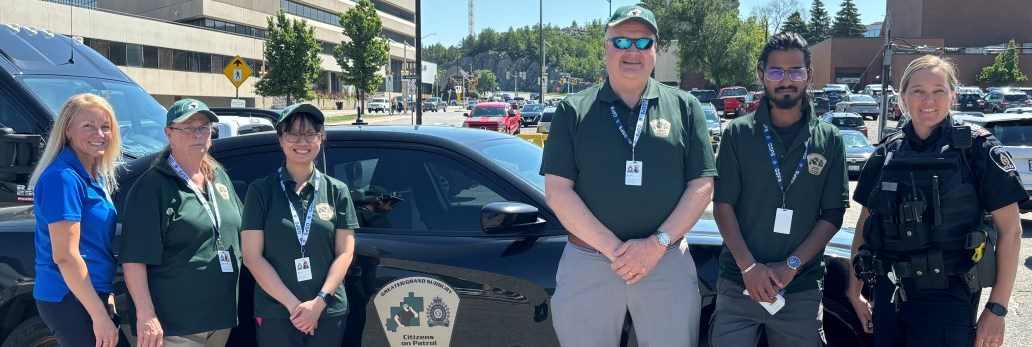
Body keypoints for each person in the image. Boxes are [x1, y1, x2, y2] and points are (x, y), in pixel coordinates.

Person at [540, 5, 716, 346]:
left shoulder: (685, 107)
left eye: (642, 42)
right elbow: (558, 192)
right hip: (589, 261)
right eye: (620, 41)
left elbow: (702, 185)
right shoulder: (572, 110)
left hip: (665, 262)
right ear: (605, 47)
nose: (631, 51)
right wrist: (616, 250)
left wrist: (655, 245)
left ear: (656, 49)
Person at [848, 55, 1025, 347]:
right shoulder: (886, 153)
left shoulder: (977, 150)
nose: (928, 99)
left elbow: (1012, 231)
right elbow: (865, 226)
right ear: (903, 97)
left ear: (952, 95)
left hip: (949, 301)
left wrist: (997, 308)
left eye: (938, 90)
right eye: (917, 90)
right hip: (889, 295)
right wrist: (854, 290)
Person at [709, 32, 849, 347]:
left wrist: (790, 267)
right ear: (762, 75)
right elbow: (723, 205)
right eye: (776, 72)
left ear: (809, 76)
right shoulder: (738, 134)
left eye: (795, 71)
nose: (786, 80)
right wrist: (749, 267)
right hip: (738, 284)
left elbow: (833, 214)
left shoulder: (830, 139)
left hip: (800, 290)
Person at [120, 98, 244, 347]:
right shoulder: (153, 186)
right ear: (169, 134)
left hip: (219, 318)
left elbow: (243, 228)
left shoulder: (218, 177)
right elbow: (134, 258)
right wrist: (146, 314)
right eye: (188, 128)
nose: (197, 134)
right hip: (174, 325)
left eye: (204, 127)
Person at [241, 103, 359, 347]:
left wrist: (318, 303)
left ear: (321, 138)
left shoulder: (337, 191)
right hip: (277, 312)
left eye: (310, 134)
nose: (301, 141)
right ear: (281, 140)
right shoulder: (261, 191)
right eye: (293, 133)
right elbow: (252, 256)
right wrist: (295, 307)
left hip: (327, 310)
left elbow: (345, 252)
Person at [30, 93, 127, 347]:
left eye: (105, 127)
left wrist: (107, 297)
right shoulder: (63, 178)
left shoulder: (96, 174)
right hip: (69, 297)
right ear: (68, 130)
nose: (100, 133)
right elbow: (65, 255)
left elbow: (96, 246)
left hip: (92, 293)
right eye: (89, 126)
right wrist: (99, 316)